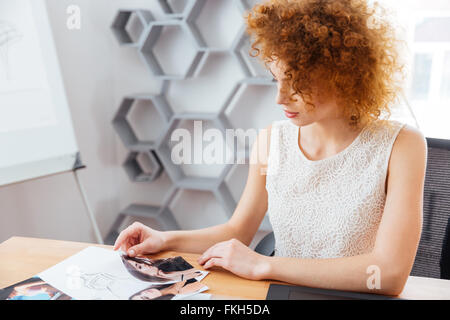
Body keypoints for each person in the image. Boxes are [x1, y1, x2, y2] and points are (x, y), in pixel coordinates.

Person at [114, 0, 427, 296]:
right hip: (281, 296)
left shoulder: (402, 146)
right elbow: (238, 230)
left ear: (344, 75)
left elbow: (388, 274)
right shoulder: (271, 139)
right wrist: (165, 239)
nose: (280, 98)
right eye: (276, 79)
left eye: (298, 82)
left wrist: (265, 264)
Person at [121, 255, 203, 283]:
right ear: (142, 275)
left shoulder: (158, 263)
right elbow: (199, 272)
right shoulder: (166, 281)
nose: (143, 264)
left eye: (139, 262)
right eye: (139, 267)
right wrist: (171, 276)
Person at [129, 279, 206, 300]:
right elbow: (206, 280)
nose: (144, 293)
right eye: (146, 298)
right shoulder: (182, 292)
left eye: (139, 294)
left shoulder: (158, 282)